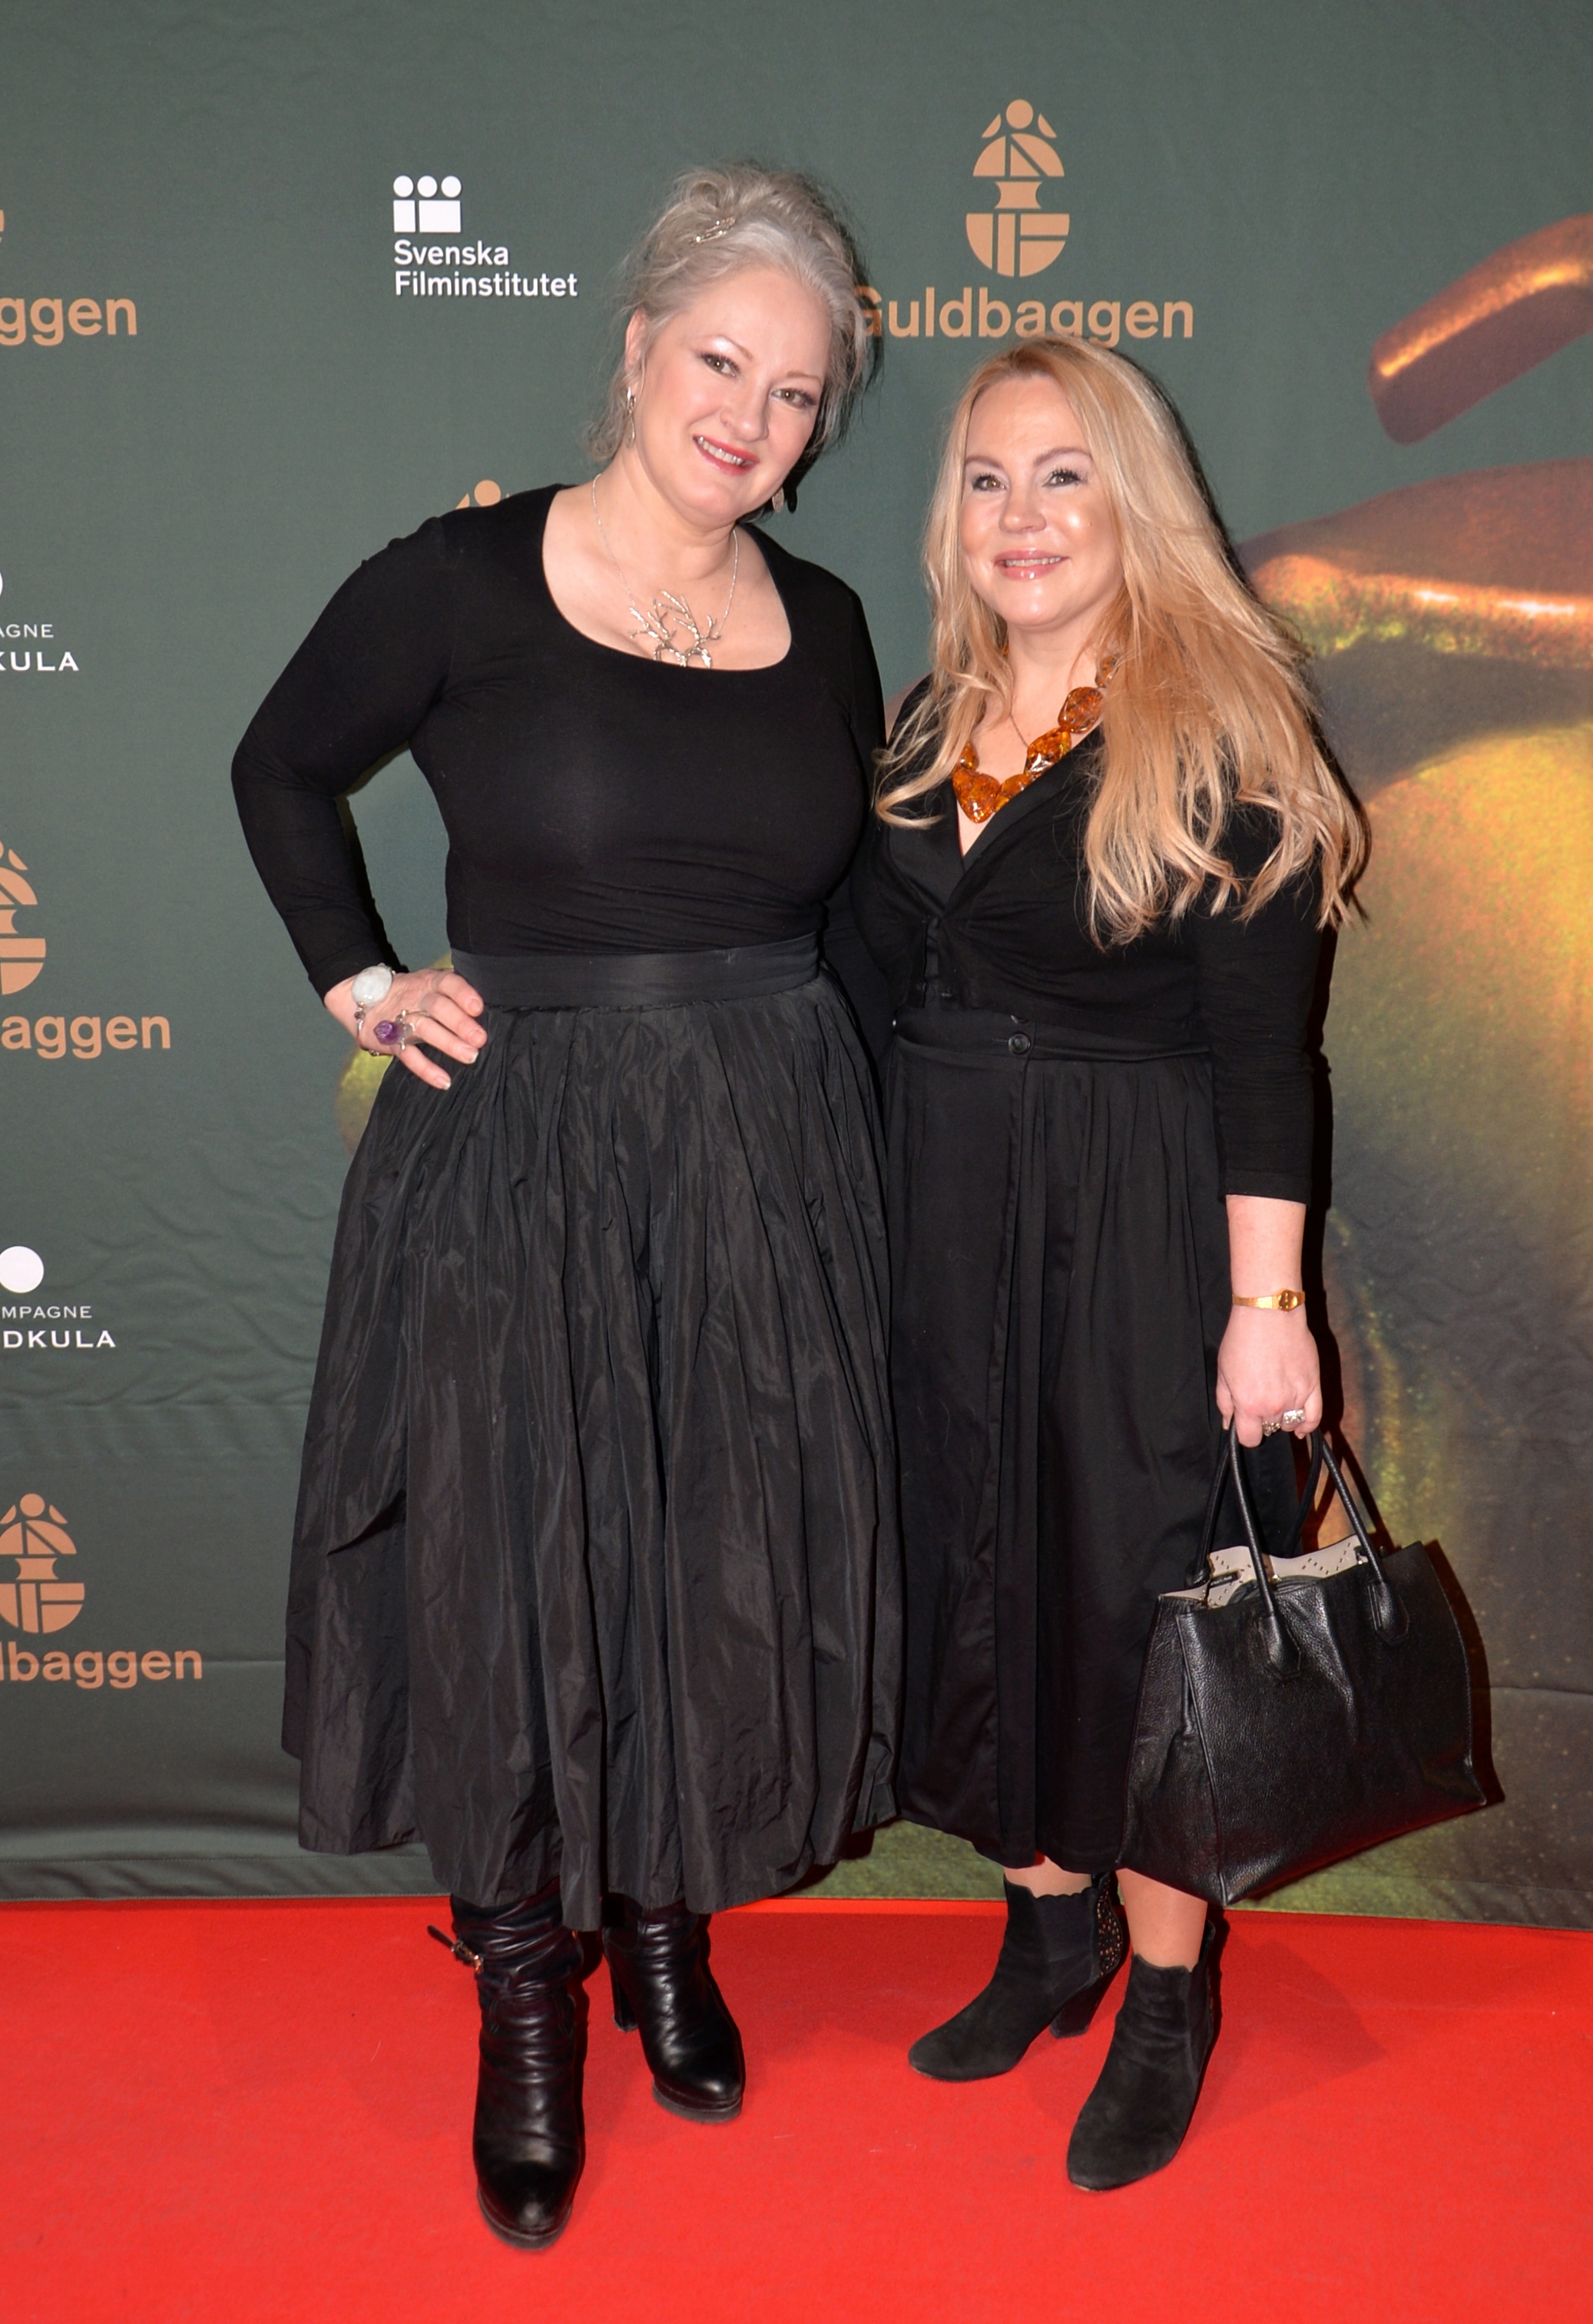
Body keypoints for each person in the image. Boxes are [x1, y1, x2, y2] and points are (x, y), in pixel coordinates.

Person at [231, 165, 899, 2251]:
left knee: (708, 1551)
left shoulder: (830, 622)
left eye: (793, 394)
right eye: (719, 360)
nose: (748, 417)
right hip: (518, 1153)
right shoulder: (459, 579)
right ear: (634, 347)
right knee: (516, 1564)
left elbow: (859, 914)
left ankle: (667, 1923)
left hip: (765, 1145)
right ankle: (527, 1989)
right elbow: (278, 767)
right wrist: (359, 979)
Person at [852, 339, 1366, 2190]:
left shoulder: (1220, 727)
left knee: (1141, 1607)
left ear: (1132, 499)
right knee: (978, 1573)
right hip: (942, 1221)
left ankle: (1162, 1999)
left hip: (1139, 1227)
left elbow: (1264, 1059)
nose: (1020, 515)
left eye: (1062, 473)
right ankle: (1043, 1929)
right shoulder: (922, 724)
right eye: (986, 478)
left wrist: (1265, 1308)